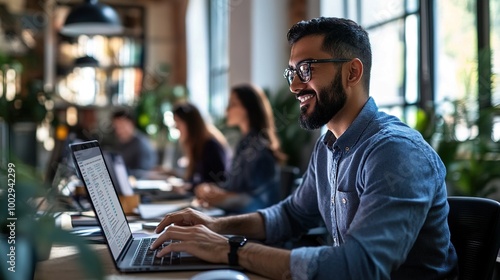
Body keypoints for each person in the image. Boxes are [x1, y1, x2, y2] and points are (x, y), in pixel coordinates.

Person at [150, 17, 458, 279]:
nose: (294, 86)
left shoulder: (395, 152)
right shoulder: (328, 146)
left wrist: (229, 249)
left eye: (307, 69)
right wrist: (216, 225)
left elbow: (362, 267)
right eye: (292, 72)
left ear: (352, 73)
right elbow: (291, 215)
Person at [194, 84, 287, 214]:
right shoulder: (245, 143)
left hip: (252, 224)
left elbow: (260, 203)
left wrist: (221, 198)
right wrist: (212, 190)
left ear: (248, 108)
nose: (227, 110)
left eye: (233, 104)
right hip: (236, 217)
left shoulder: (259, 148)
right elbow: (233, 187)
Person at [172, 102, 231, 189]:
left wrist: (189, 187)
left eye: (178, 122)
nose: (175, 127)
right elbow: (194, 179)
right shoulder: (196, 146)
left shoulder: (210, 147)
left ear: (190, 124)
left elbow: (218, 182)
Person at [110, 108, 157, 179]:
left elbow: (145, 173)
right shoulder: (120, 143)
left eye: (122, 126)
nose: (119, 131)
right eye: (116, 127)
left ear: (132, 124)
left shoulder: (141, 145)